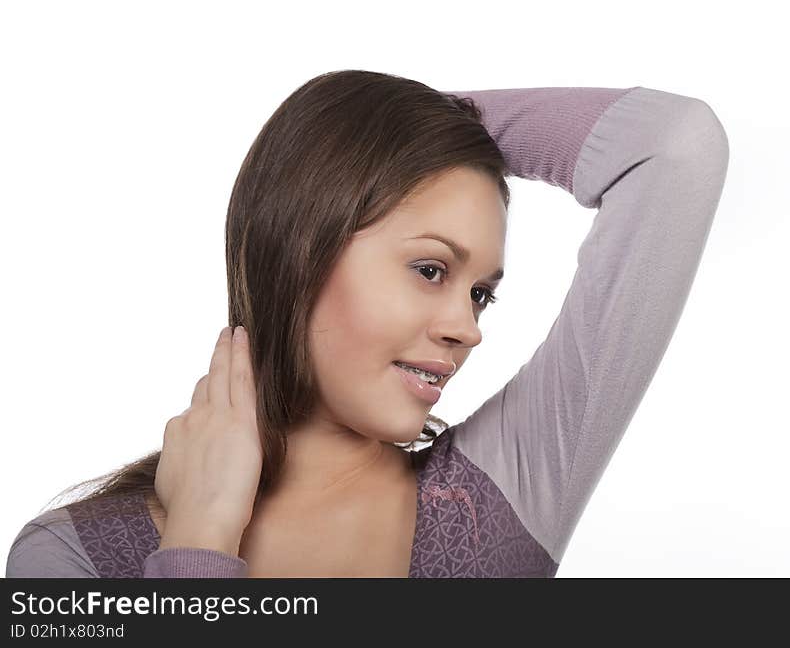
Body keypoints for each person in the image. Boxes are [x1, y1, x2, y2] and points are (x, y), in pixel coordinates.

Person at [5, 70, 729, 578]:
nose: (467, 329)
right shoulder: (70, 558)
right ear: (300, 249)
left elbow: (673, 147)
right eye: (431, 270)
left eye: (482, 294)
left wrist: (409, 120)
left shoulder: (504, 497)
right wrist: (200, 543)